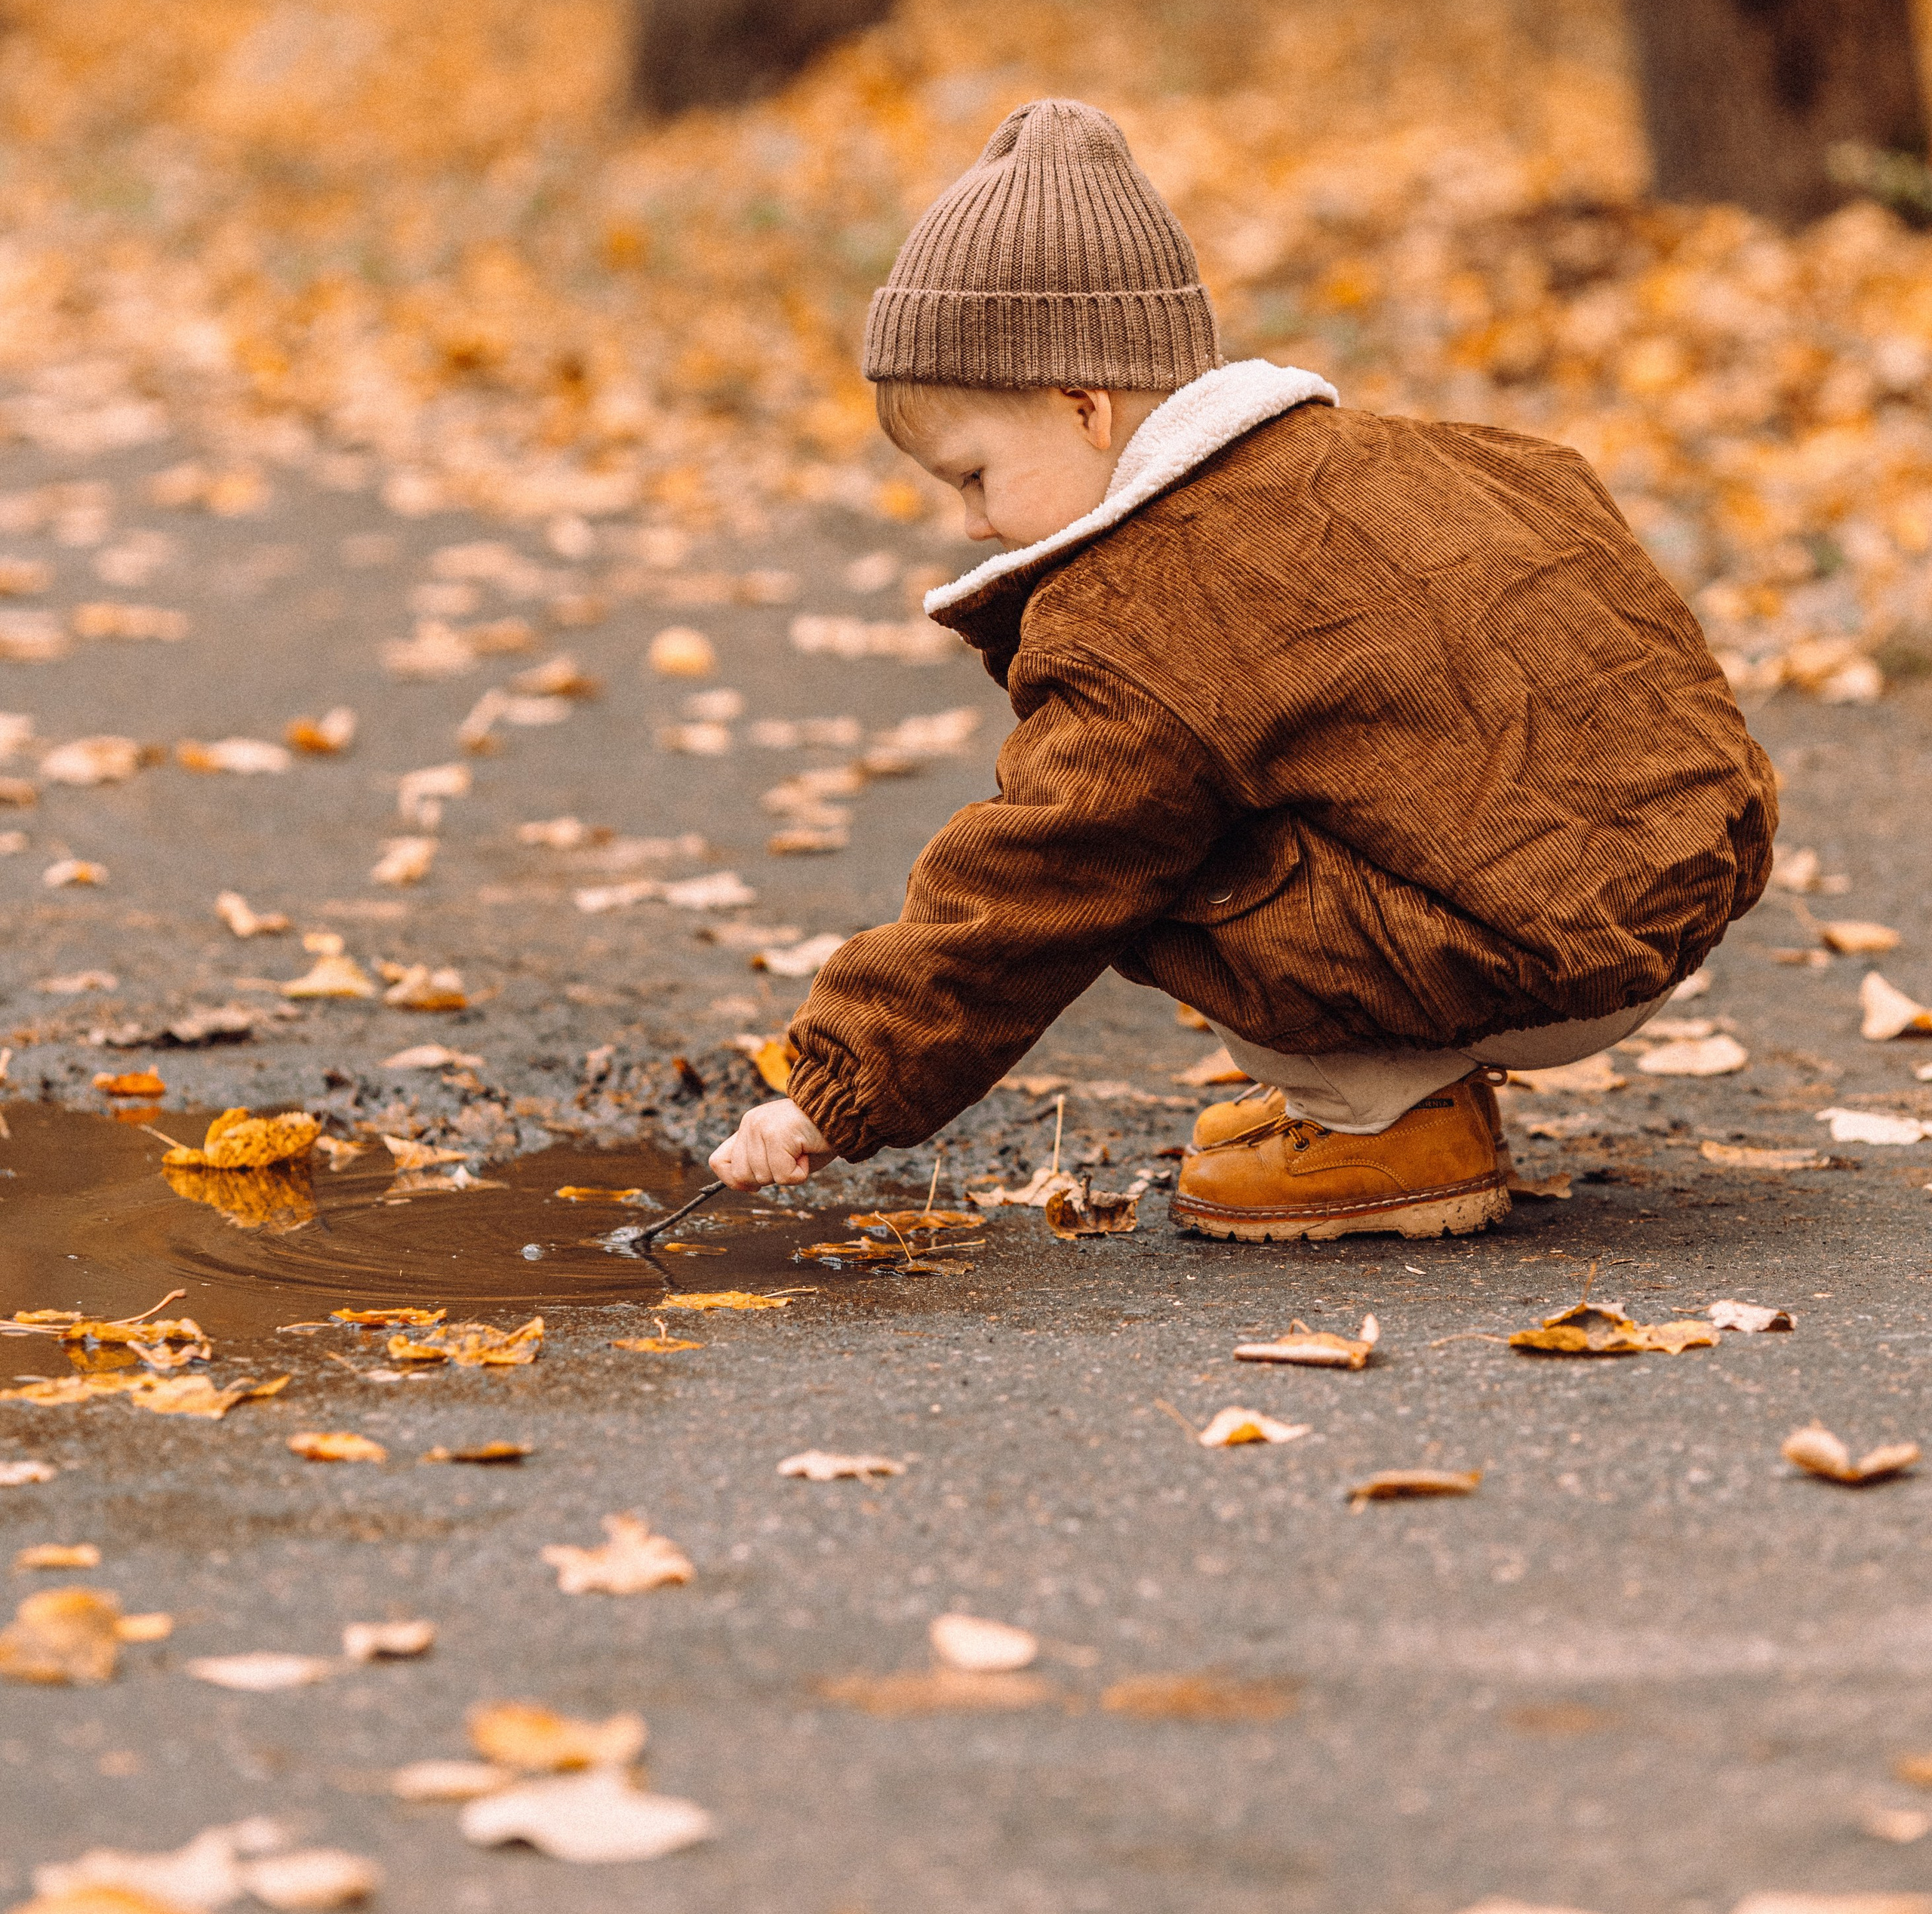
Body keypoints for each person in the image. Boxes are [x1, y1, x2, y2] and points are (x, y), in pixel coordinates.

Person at [709, 98, 1776, 1241]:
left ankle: (1385, 1122)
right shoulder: (1433, 457)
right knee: (1209, 791)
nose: (970, 523)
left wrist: (837, 1087)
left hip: (1527, 958)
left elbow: (1033, 877)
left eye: (972, 475)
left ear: (1084, 407)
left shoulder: (1147, 607)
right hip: (1674, 901)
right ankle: (1400, 1084)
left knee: (1133, 849)